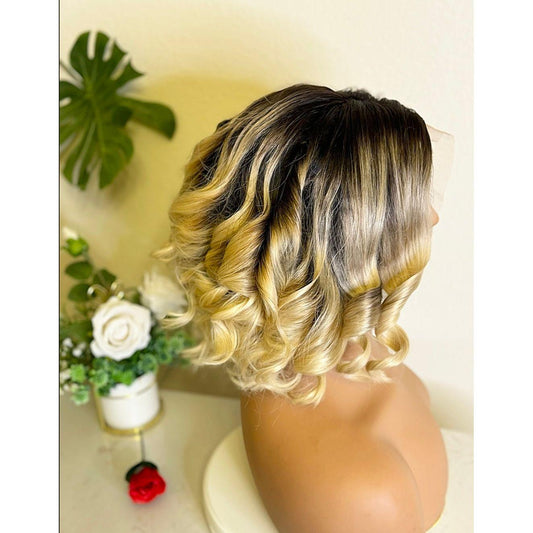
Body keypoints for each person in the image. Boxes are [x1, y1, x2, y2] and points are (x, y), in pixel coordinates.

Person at [155, 83, 449, 532]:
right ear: (346, 252)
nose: (433, 217)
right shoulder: (356, 491)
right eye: (407, 207)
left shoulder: (361, 355)